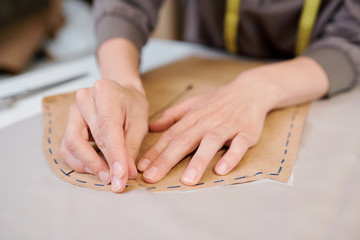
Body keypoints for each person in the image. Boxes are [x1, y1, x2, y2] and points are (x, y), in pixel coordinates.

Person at [59, 0, 360, 193]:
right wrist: (122, 81)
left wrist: (259, 88)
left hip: (319, 80)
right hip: (195, 67)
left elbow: (353, 37)